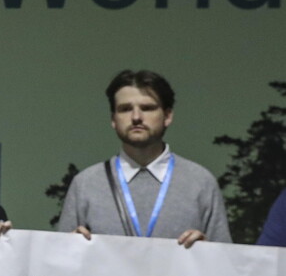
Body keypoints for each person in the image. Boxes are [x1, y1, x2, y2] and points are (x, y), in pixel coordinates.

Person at [58, 70, 231, 248]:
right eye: (125, 109)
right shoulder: (86, 184)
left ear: (168, 115)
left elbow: (226, 266)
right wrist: (67, 249)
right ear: (113, 119)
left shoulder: (200, 182)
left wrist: (209, 252)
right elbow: (57, 265)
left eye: (147, 108)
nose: (136, 117)